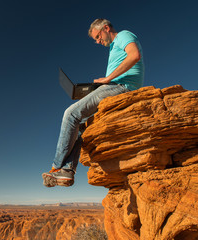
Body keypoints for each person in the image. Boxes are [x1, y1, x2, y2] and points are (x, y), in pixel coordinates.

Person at [42, 18, 145, 187]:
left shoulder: (124, 35)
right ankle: (67, 171)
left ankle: (56, 167)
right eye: (96, 39)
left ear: (106, 28)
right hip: (113, 86)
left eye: (98, 36)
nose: (98, 41)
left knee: (71, 113)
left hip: (121, 87)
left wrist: (108, 79)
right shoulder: (113, 47)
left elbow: (135, 55)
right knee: (81, 126)